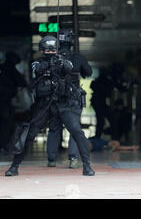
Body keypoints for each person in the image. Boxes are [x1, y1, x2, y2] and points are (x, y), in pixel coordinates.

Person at [4, 36, 94, 177]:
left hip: (63, 104)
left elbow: (70, 68)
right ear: (41, 50)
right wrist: (48, 64)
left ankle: (87, 166)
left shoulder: (64, 62)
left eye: (52, 49)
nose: (50, 52)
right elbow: (37, 69)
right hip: (44, 105)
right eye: (47, 49)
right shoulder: (38, 62)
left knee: (77, 131)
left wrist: (61, 63)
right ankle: (14, 167)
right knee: (29, 134)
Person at [46, 29, 92, 169]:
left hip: (54, 99)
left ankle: (51, 160)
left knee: (54, 128)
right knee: (74, 129)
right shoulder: (77, 58)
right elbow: (88, 73)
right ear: (71, 42)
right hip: (72, 99)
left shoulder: (52, 58)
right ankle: (73, 159)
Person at [0, 51, 27, 153]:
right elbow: (23, 83)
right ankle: (3, 145)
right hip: (5, 102)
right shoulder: (12, 70)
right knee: (6, 124)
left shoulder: (2, 68)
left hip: (5, 101)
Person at [90, 68, 114, 138]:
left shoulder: (100, 81)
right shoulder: (104, 81)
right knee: (102, 120)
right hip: (99, 103)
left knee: (101, 120)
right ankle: (99, 137)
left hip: (98, 103)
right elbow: (108, 93)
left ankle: (98, 136)